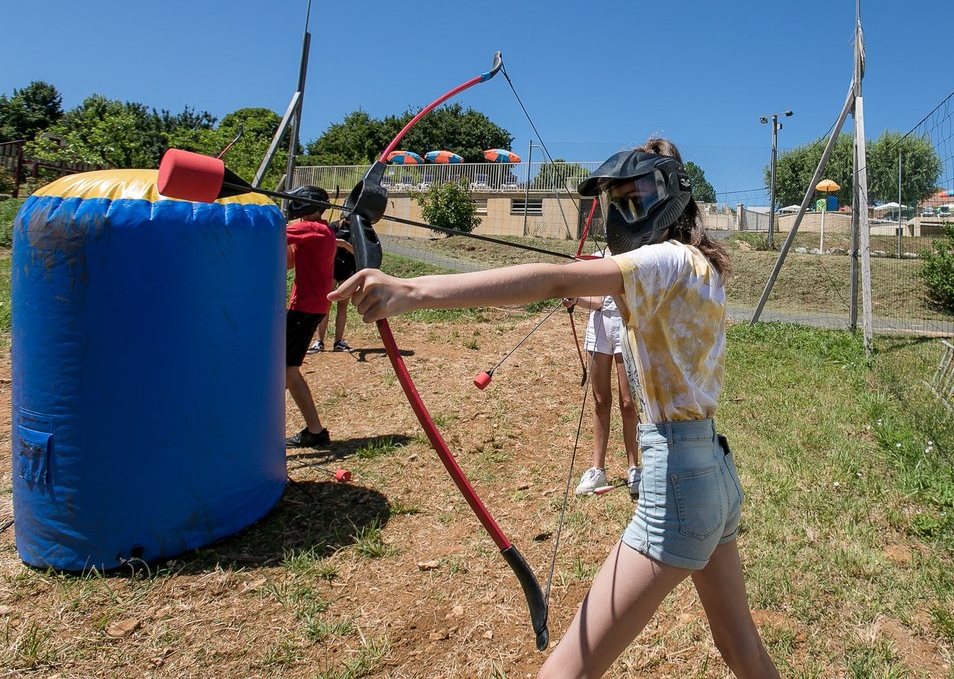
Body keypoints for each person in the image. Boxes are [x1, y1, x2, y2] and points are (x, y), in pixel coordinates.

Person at [331, 139, 779, 678]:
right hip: (713, 474)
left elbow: (556, 279)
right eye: (619, 202)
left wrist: (412, 290)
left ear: (673, 198)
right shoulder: (695, 265)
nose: (626, 212)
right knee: (742, 650)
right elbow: (592, 292)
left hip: (679, 484)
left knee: (564, 672)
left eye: (637, 199)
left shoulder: (663, 259)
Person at [569, 287, 641, 498]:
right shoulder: (602, 255)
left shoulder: (634, 252)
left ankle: (634, 468)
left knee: (628, 402)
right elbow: (598, 301)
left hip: (626, 323)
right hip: (599, 325)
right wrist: (576, 297)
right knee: (600, 401)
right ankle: (597, 469)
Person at [283, 185, 337, 448]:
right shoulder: (320, 230)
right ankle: (315, 432)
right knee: (290, 372)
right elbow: (290, 263)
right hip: (312, 307)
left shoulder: (310, 229)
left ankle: (254, 432)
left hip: (303, 308)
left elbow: (267, 232)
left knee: (281, 373)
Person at [308, 218, 356, 354]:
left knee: (342, 306)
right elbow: (323, 243)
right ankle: (319, 341)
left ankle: (338, 341)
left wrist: (346, 245)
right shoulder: (333, 226)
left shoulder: (358, 229)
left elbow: (360, 252)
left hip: (349, 269)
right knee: (325, 304)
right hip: (332, 268)